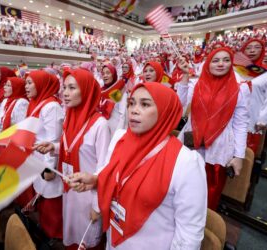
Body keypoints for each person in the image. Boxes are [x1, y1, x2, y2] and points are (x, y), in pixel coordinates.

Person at [68, 82, 207, 250]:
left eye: (145, 104)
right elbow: (111, 173)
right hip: (114, 239)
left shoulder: (186, 162)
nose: (134, 109)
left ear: (165, 110)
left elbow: (189, 234)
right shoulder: (121, 140)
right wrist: (96, 180)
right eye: (131, 103)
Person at [37, 68, 111, 250]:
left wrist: (97, 206)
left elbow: (104, 168)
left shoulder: (100, 125)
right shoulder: (69, 117)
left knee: (88, 241)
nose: (65, 93)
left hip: (88, 195)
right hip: (70, 189)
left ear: (85, 90)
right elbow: (71, 148)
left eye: (72, 88)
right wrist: (54, 147)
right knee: (72, 235)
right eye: (64, 88)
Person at [177, 47, 250, 210]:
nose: (221, 64)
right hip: (191, 141)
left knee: (209, 192)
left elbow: (240, 124)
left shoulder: (240, 88)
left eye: (226, 60)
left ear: (231, 63)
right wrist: (185, 75)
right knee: (183, 185)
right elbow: (179, 104)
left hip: (219, 148)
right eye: (215, 60)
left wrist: (239, 156)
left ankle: (201, 227)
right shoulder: (195, 83)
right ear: (208, 63)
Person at [25, 71, 65, 239]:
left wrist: (49, 168)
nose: (25, 87)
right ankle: (46, 231)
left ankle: (54, 236)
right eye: (25, 83)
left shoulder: (51, 106)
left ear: (41, 84)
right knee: (41, 194)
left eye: (29, 83)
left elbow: (53, 139)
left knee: (51, 198)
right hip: (37, 156)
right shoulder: (36, 103)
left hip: (47, 159)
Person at [99, 64, 128, 135]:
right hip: (102, 129)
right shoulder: (101, 91)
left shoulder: (120, 90)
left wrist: (117, 135)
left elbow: (122, 115)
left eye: (108, 73)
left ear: (113, 74)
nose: (105, 75)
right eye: (103, 73)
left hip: (114, 130)